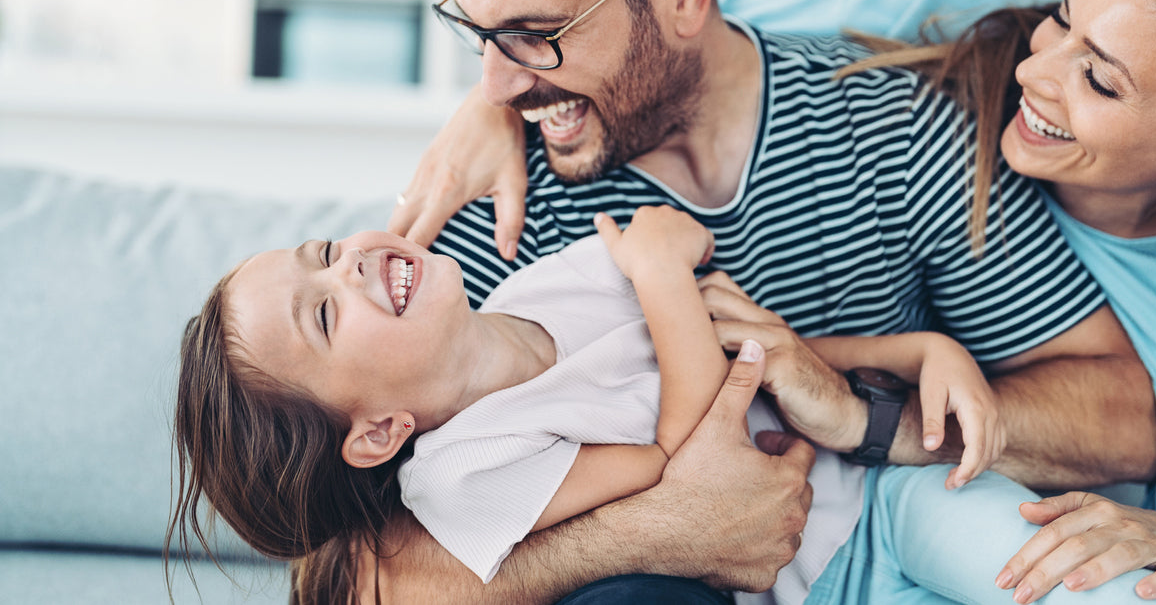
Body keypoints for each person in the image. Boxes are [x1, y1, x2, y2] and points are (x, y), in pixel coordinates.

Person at [344, 0, 1156, 604]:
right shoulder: (497, 207)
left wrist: (865, 420)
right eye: (480, 33)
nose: (493, 88)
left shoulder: (895, 132)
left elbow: (1125, 415)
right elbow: (348, 576)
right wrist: (660, 528)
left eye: (535, 35)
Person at [169, 209, 1011, 605]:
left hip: (882, 494)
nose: (345, 265)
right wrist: (657, 276)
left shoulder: (544, 280)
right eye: (323, 314)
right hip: (822, 582)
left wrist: (921, 351)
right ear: (379, 431)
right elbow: (681, 463)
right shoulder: (462, 476)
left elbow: (758, 345)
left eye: (320, 252)